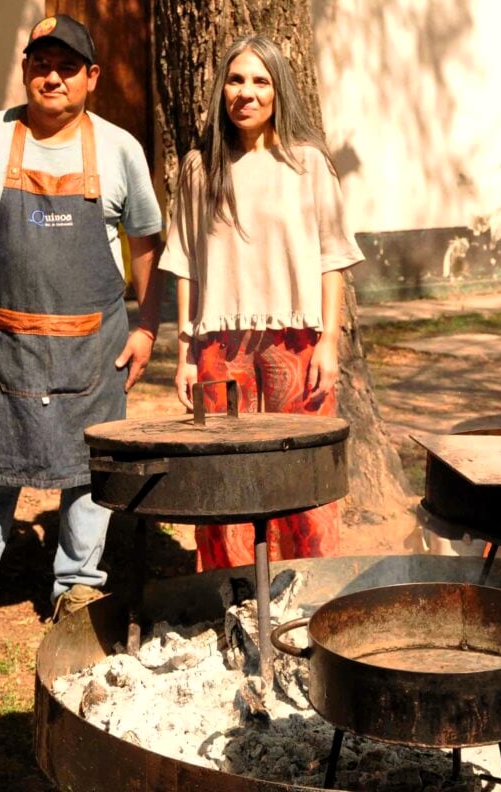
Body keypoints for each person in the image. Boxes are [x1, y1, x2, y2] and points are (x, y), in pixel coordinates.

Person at [0, 14, 163, 643]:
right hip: (9, 341)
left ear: (91, 77)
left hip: (94, 343)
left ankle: (77, 585)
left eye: (67, 66)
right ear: (25, 68)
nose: (52, 76)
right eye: (40, 63)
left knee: (88, 468)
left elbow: (145, 244)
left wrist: (148, 328)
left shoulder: (119, 149)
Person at [158, 35, 363, 571]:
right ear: (221, 90)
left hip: (296, 344)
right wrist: (184, 352)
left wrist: (328, 345)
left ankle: (309, 591)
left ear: (278, 91)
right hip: (220, 348)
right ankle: (232, 595)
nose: (246, 93)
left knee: (305, 479)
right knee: (224, 483)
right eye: (235, 79)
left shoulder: (308, 164)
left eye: (259, 81)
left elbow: (332, 258)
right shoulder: (200, 169)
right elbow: (184, 265)